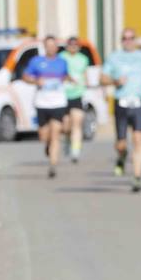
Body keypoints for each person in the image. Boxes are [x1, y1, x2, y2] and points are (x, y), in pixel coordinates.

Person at [101, 29, 141, 192]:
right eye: (125, 38)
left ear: (135, 40)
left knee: (139, 139)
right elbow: (102, 78)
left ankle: (137, 177)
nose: (128, 41)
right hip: (121, 102)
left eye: (131, 38)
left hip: (139, 102)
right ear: (121, 40)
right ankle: (122, 156)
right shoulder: (114, 57)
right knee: (121, 144)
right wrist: (115, 81)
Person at [23, 36, 70, 178]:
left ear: (56, 47)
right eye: (48, 46)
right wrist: (36, 81)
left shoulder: (62, 62)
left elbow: (66, 76)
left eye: (53, 45)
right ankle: (48, 145)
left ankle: (53, 165)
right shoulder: (36, 62)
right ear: (45, 47)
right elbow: (25, 77)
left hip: (58, 102)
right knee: (44, 135)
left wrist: (69, 80)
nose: (51, 48)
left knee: (56, 132)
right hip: (42, 102)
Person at [59, 36, 90, 164]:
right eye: (70, 44)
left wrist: (86, 86)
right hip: (64, 94)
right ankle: (67, 140)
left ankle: (75, 151)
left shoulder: (83, 59)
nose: (73, 46)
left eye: (75, 44)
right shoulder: (61, 57)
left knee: (77, 123)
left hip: (78, 94)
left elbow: (85, 74)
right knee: (66, 126)